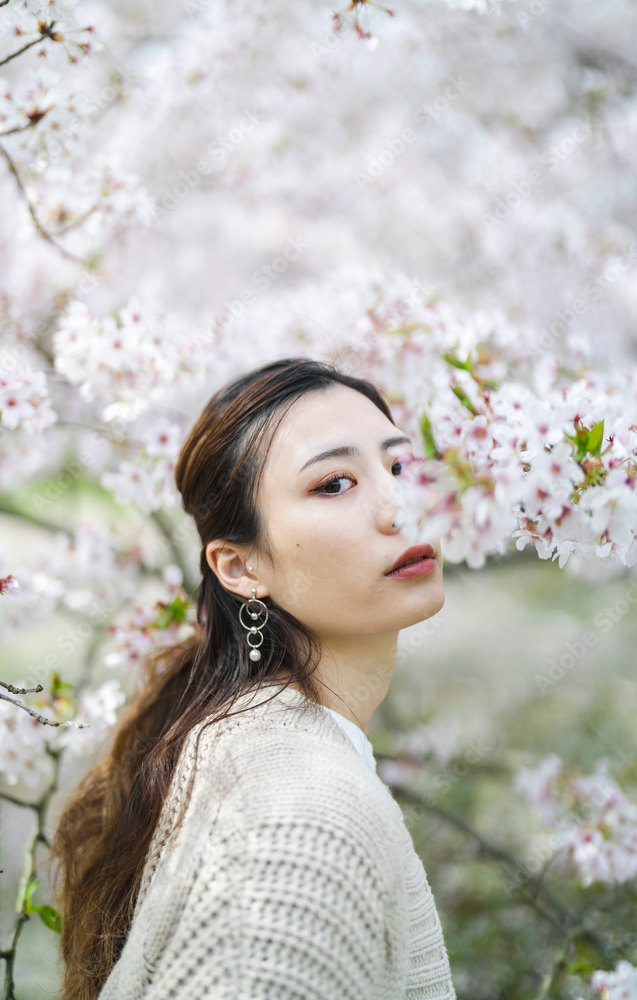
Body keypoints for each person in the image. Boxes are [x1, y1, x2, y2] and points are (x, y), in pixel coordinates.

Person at [48, 356, 457, 1000]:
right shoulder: (307, 817)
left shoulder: (248, 739)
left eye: (400, 466)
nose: (401, 504)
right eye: (334, 484)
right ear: (239, 568)